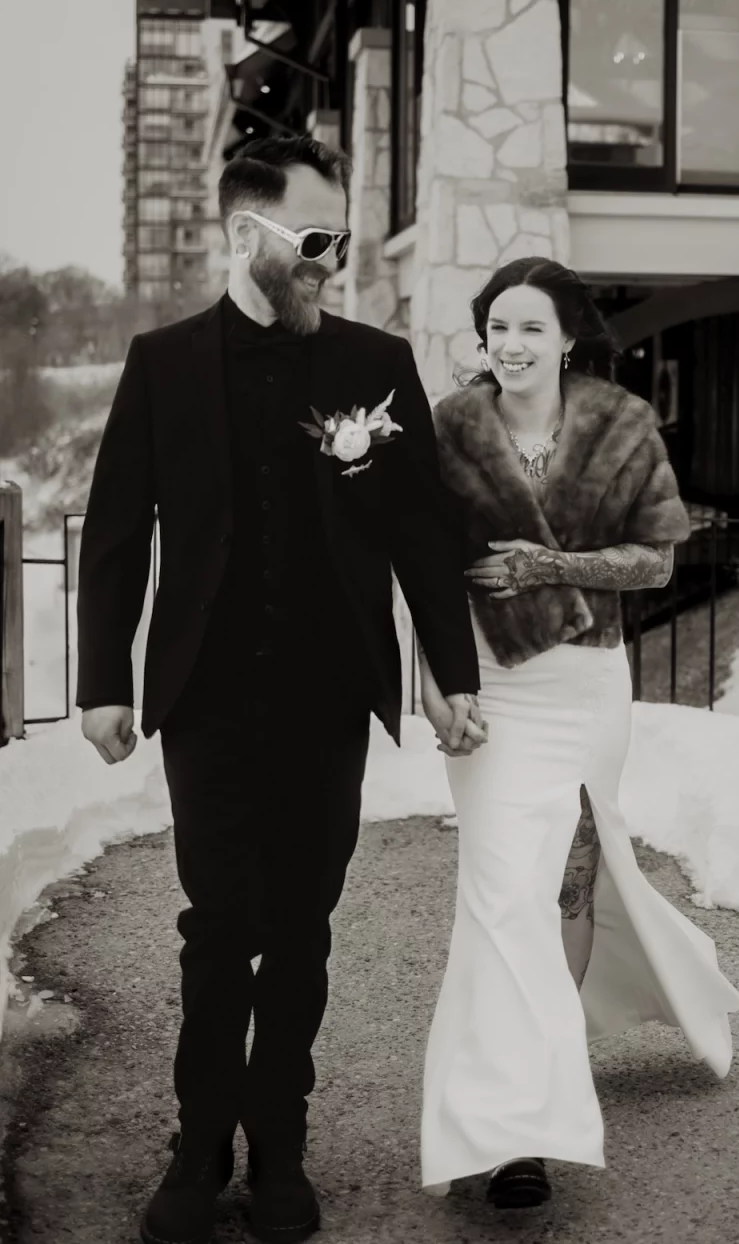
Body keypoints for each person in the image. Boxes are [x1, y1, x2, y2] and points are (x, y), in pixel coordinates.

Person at [76, 134, 483, 1244]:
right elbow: (114, 534)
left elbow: (418, 532)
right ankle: (199, 1147)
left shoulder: (375, 362)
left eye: (339, 241)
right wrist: (103, 681)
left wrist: (449, 676)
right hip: (204, 699)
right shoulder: (161, 363)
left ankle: (282, 1143)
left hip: (326, 695)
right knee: (216, 930)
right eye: (311, 241)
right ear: (241, 234)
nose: (329, 263)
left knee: (301, 927)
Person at [418, 257, 739, 1207]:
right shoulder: (449, 428)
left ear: (568, 339)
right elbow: (421, 567)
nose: (511, 345)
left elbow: (655, 562)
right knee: (497, 889)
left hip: (588, 686)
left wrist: (545, 565)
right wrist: (434, 688)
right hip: (488, 686)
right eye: (497, 328)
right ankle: (514, 1129)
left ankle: (535, 1081)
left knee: (564, 886)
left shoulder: (622, 424)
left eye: (531, 327)